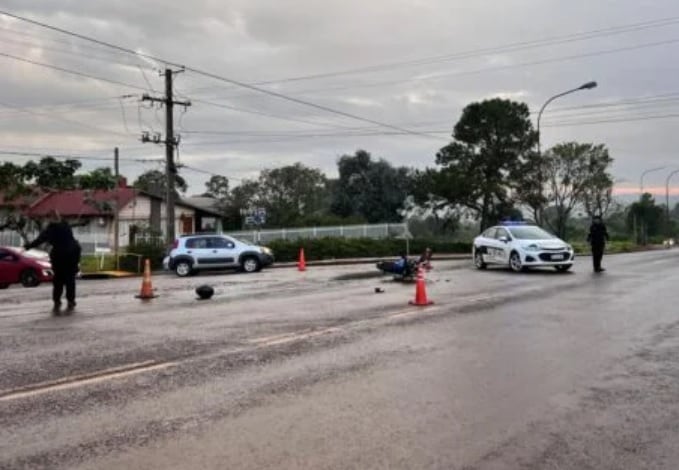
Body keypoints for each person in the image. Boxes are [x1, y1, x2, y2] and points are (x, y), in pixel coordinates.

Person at [25, 212, 82, 314]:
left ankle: (57, 301)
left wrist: (29, 246)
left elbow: (41, 239)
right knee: (70, 280)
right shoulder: (66, 225)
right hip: (72, 255)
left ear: (50, 218)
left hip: (60, 256)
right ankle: (70, 300)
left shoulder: (51, 228)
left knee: (58, 280)